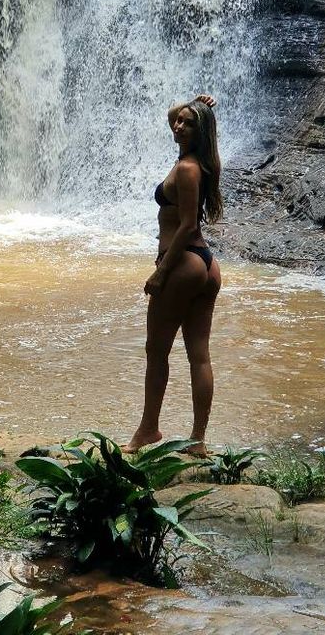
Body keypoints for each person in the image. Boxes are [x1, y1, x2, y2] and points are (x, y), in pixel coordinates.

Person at [124, 94, 222, 457]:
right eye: (178, 121)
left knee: (157, 351)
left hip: (181, 263)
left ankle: (148, 429)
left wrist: (161, 272)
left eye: (188, 123)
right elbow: (173, 116)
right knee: (199, 355)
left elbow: (186, 225)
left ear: (201, 131)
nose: (178, 126)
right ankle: (198, 440)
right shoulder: (199, 163)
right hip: (206, 265)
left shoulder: (185, 169)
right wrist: (194, 105)